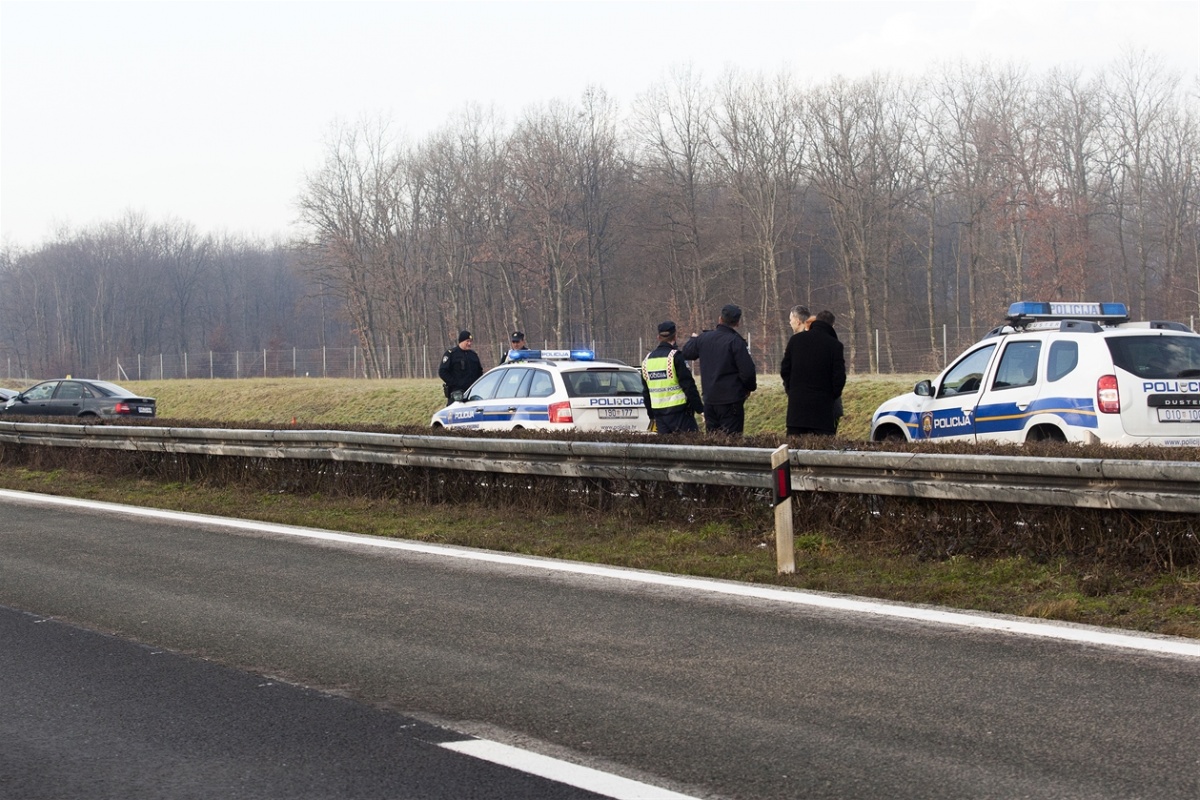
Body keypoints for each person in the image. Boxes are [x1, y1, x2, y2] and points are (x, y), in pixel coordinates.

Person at [679, 304, 757, 435]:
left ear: (720, 319)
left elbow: (687, 353)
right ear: (738, 323)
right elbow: (748, 372)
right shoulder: (736, 342)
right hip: (731, 401)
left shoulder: (704, 339)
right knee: (732, 442)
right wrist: (749, 388)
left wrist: (693, 339)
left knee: (713, 442)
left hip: (709, 400)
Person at [780, 309, 846, 436]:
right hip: (823, 411)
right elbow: (839, 377)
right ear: (832, 325)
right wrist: (832, 395)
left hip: (797, 410)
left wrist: (791, 390)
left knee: (795, 449)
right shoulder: (835, 346)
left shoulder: (795, 341)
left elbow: (785, 369)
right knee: (821, 451)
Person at [640, 320, 703, 434]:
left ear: (658, 337)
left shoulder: (646, 360)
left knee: (666, 449)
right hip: (680, 414)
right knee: (689, 447)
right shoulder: (675, 357)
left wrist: (651, 415)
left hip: (659, 416)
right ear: (675, 336)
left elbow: (646, 392)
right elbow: (688, 386)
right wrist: (700, 409)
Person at [438, 330, 484, 403]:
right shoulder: (451, 354)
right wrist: (456, 383)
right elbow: (443, 372)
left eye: (471, 341)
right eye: (467, 341)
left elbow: (479, 371)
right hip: (457, 394)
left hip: (472, 393)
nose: (469, 343)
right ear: (461, 341)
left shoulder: (473, 355)